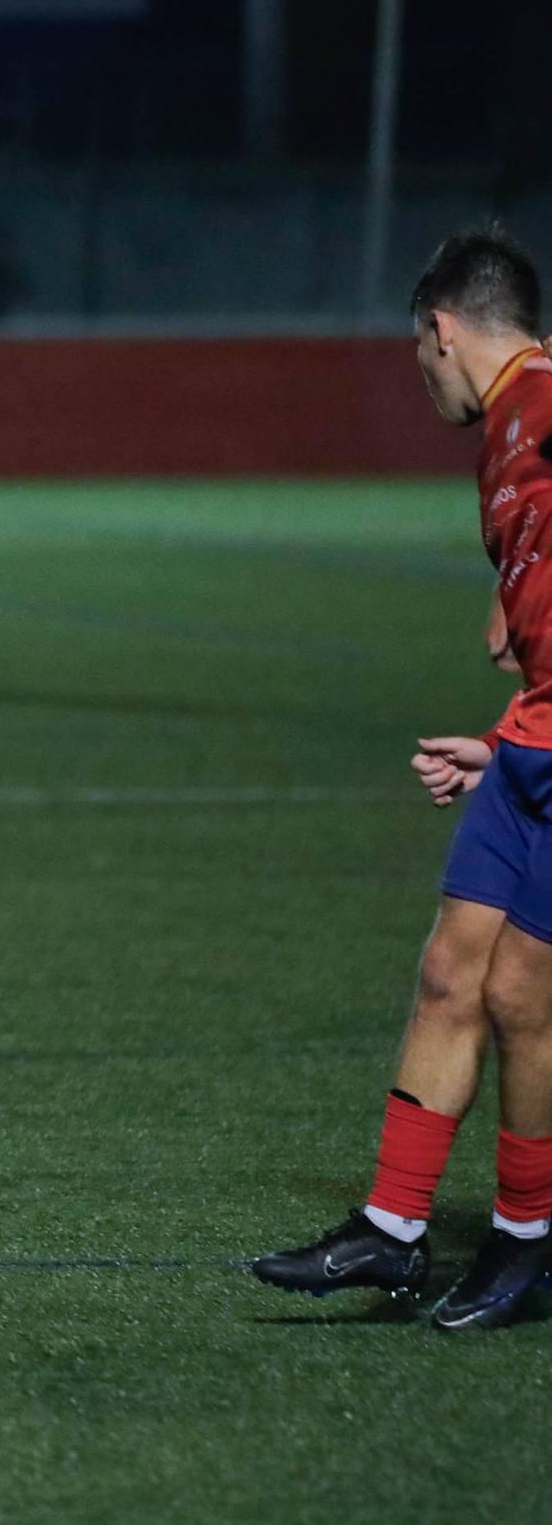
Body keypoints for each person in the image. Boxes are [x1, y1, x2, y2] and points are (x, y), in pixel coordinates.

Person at [250, 228, 552, 1328]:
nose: (420, 376)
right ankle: (389, 1230)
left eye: (416, 354)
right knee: (446, 975)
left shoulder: (536, 398)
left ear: (438, 331)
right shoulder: (507, 436)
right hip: (527, 745)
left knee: (520, 997)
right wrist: (504, 733)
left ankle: (524, 1245)